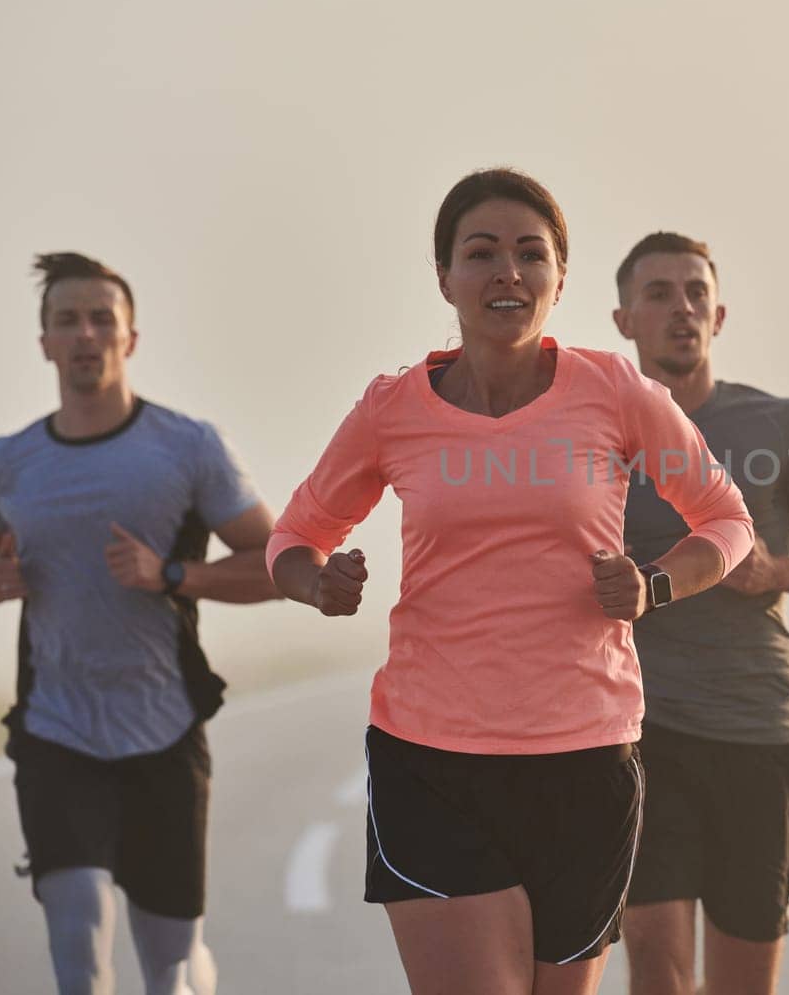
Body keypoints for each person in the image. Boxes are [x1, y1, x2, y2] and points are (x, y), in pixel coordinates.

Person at [266, 169, 754, 995]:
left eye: (532, 254)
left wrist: (652, 588)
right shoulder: (393, 409)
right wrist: (317, 584)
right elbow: (295, 537)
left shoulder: (616, 391)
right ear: (445, 278)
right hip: (431, 759)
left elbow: (726, 522)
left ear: (560, 279)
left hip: (588, 759)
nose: (508, 273)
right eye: (482, 253)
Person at [0, 252, 282, 995]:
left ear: (130, 338)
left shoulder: (188, 448)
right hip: (55, 729)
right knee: (79, 952)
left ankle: (198, 975)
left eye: (103, 319)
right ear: (44, 341)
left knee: (169, 971)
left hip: (163, 729)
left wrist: (171, 574)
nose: (86, 334)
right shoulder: (10, 463)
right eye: (67, 320)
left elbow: (276, 563)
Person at [611, 232, 789, 995]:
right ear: (624, 318)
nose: (681, 308)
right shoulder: (595, 432)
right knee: (657, 965)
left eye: (696, 293)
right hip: (639, 732)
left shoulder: (781, 425)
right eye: (658, 293)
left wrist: (776, 570)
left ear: (719, 316)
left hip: (757, 733)